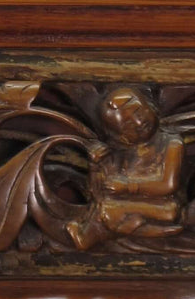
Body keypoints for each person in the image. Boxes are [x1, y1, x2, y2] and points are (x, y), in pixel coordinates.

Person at [67, 86, 185, 250]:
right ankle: (138, 226)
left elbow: (168, 185)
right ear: (120, 134)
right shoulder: (122, 152)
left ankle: (96, 234)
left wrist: (128, 186)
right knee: (107, 209)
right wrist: (95, 166)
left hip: (164, 208)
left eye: (138, 112)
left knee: (110, 212)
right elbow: (98, 194)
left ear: (150, 107)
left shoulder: (171, 143)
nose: (138, 122)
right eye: (128, 124)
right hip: (134, 206)